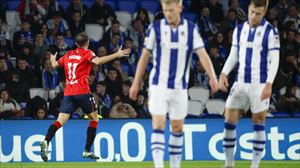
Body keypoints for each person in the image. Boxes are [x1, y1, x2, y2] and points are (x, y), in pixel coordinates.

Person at [129, 0, 218, 168]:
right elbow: (144, 57)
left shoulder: (191, 29)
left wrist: (212, 77)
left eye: (171, 10)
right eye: (165, 10)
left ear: (180, 8)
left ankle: (175, 165)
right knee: (159, 123)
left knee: (177, 127)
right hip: (158, 86)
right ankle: (158, 165)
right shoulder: (156, 28)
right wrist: (136, 83)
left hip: (179, 88)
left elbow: (203, 55)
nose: (168, 14)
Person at [40, 32, 130, 162]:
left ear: (76, 43)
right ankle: (87, 150)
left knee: (60, 121)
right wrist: (117, 54)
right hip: (82, 92)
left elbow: (54, 65)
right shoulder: (87, 53)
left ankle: (46, 141)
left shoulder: (68, 55)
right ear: (87, 43)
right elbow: (98, 61)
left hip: (69, 93)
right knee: (94, 119)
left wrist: (53, 58)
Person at [218, 0, 280, 168]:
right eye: (252, 12)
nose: (254, 16)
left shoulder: (271, 32)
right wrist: (224, 73)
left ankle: (255, 165)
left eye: (258, 13)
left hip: (259, 85)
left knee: (258, 123)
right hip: (239, 83)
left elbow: (274, 60)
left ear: (264, 12)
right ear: (248, 8)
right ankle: (229, 164)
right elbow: (234, 55)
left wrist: (269, 83)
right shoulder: (240, 29)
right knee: (228, 120)